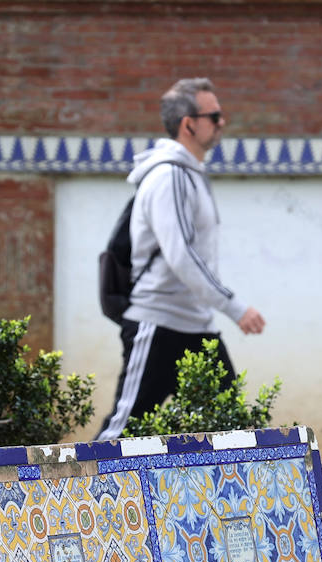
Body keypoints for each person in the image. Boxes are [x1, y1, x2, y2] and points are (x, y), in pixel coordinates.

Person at [96, 77, 267, 441]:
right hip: (158, 325)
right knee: (121, 433)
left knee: (232, 430)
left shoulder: (191, 175)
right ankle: (75, 497)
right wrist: (236, 307)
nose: (222, 123)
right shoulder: (169, 176)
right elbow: (181, 255)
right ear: (188, 124)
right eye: (214, 116)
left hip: (196, 327)